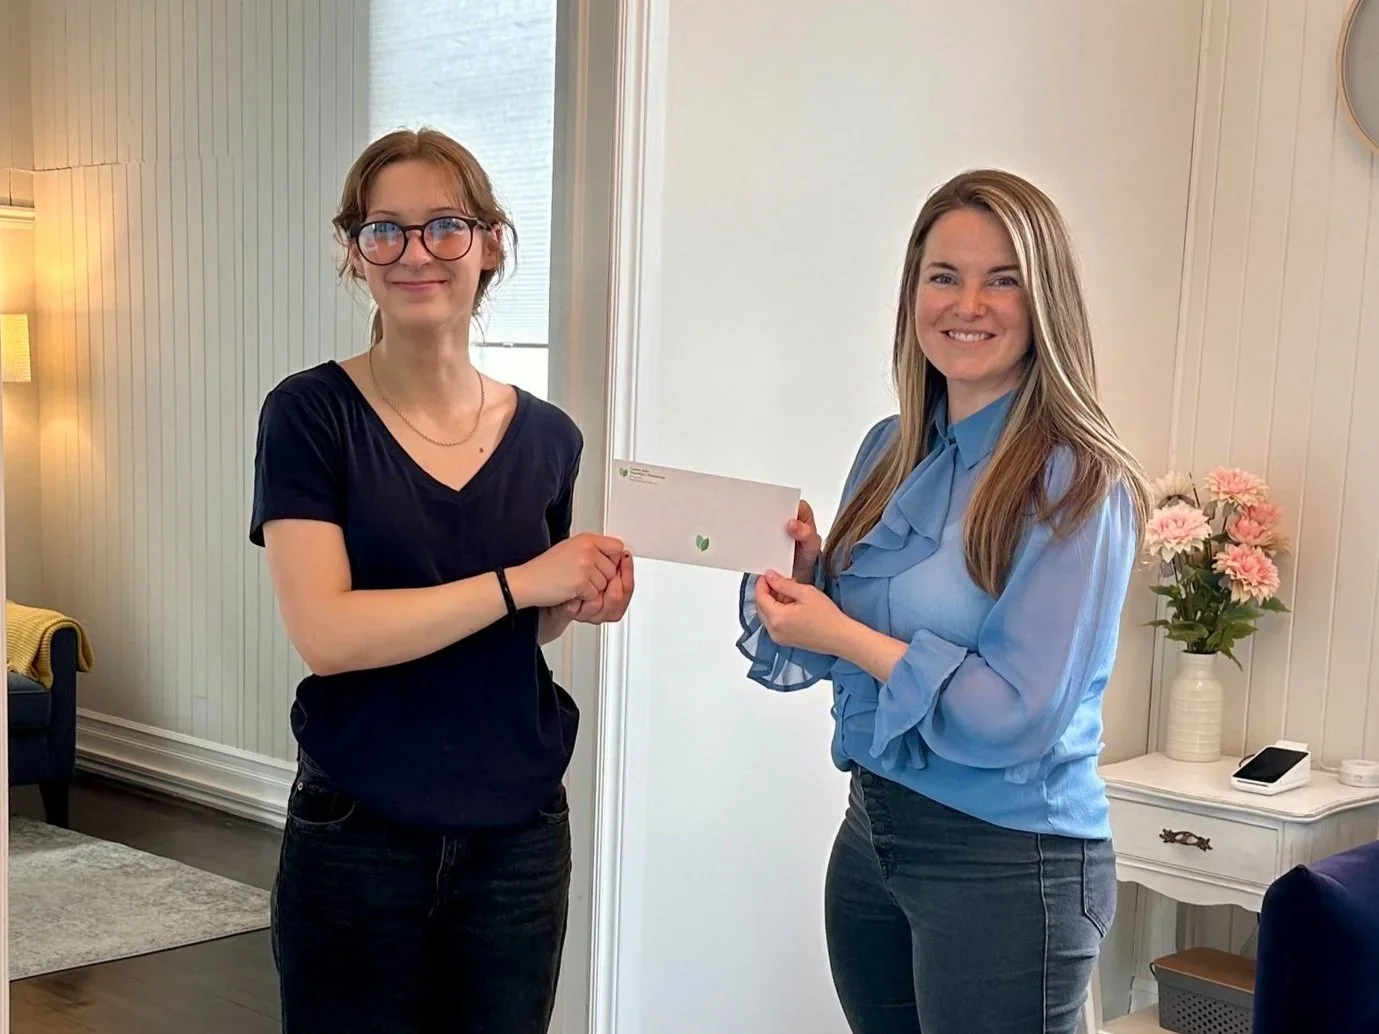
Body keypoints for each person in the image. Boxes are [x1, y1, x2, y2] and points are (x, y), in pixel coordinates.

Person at [736, 169, 1149, 1034]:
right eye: (943, 276)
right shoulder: (889, 449)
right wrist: (807, 581)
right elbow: (838, 647)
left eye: (1003, 279)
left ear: (1044, 304)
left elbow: (1014, 713)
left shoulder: (1076, 481)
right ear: (912, 295)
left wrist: (843, 630)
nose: (969, 304)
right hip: (872, 836)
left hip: (1005, 861)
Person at [249, 127, 634, 1034]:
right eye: (385, 230)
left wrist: (567, 602)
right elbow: (329, 636)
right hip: (358, 833)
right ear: (355, 252)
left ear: (491, 242)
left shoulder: (549, 437)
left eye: (444, 226)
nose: (415, 252)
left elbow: (519, 627)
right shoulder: (309, 415)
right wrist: (520, 581)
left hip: (519, 834)